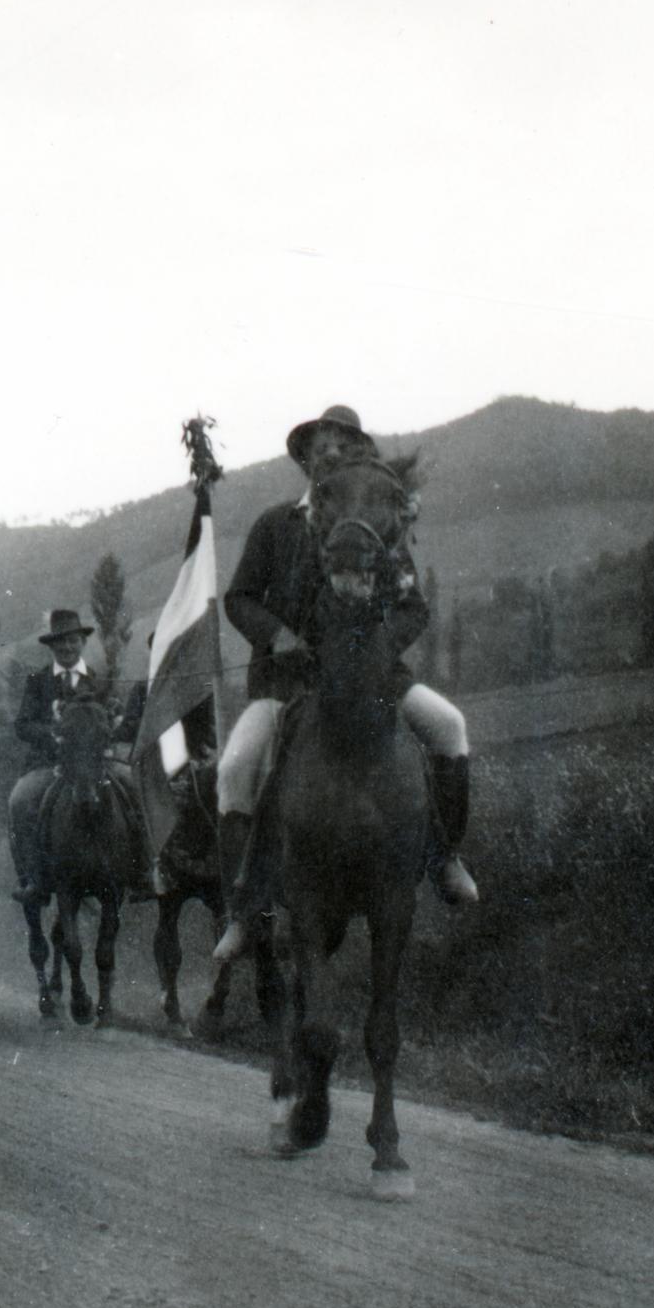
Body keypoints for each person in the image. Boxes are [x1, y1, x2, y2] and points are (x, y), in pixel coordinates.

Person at [213, 404, 479, 961]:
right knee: (237, 767)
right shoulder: (275, 525)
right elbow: (237, 598)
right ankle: (247, 907)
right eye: (320, 442)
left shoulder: (376, 519)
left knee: (450, 727)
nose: (329, 450)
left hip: (376, 677)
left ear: (356, 453)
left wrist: (382, 645)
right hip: (289, 685)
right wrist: (277, 634)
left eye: (342, 442)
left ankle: (443, 857)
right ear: (306, 457)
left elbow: (412, 605)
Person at [7, 609, 102, 905]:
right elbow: (22, 724)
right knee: (20, 800)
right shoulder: (38, 681)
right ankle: (33, 878)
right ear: (51, 646)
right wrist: (51, 735)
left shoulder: (96, 680)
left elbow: (107, 717)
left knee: (129, 788)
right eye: (61, 642)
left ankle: (136, 871)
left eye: (73, 641)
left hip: (89, 764)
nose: (68, 647)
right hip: (48, 765)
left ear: (82, 643)